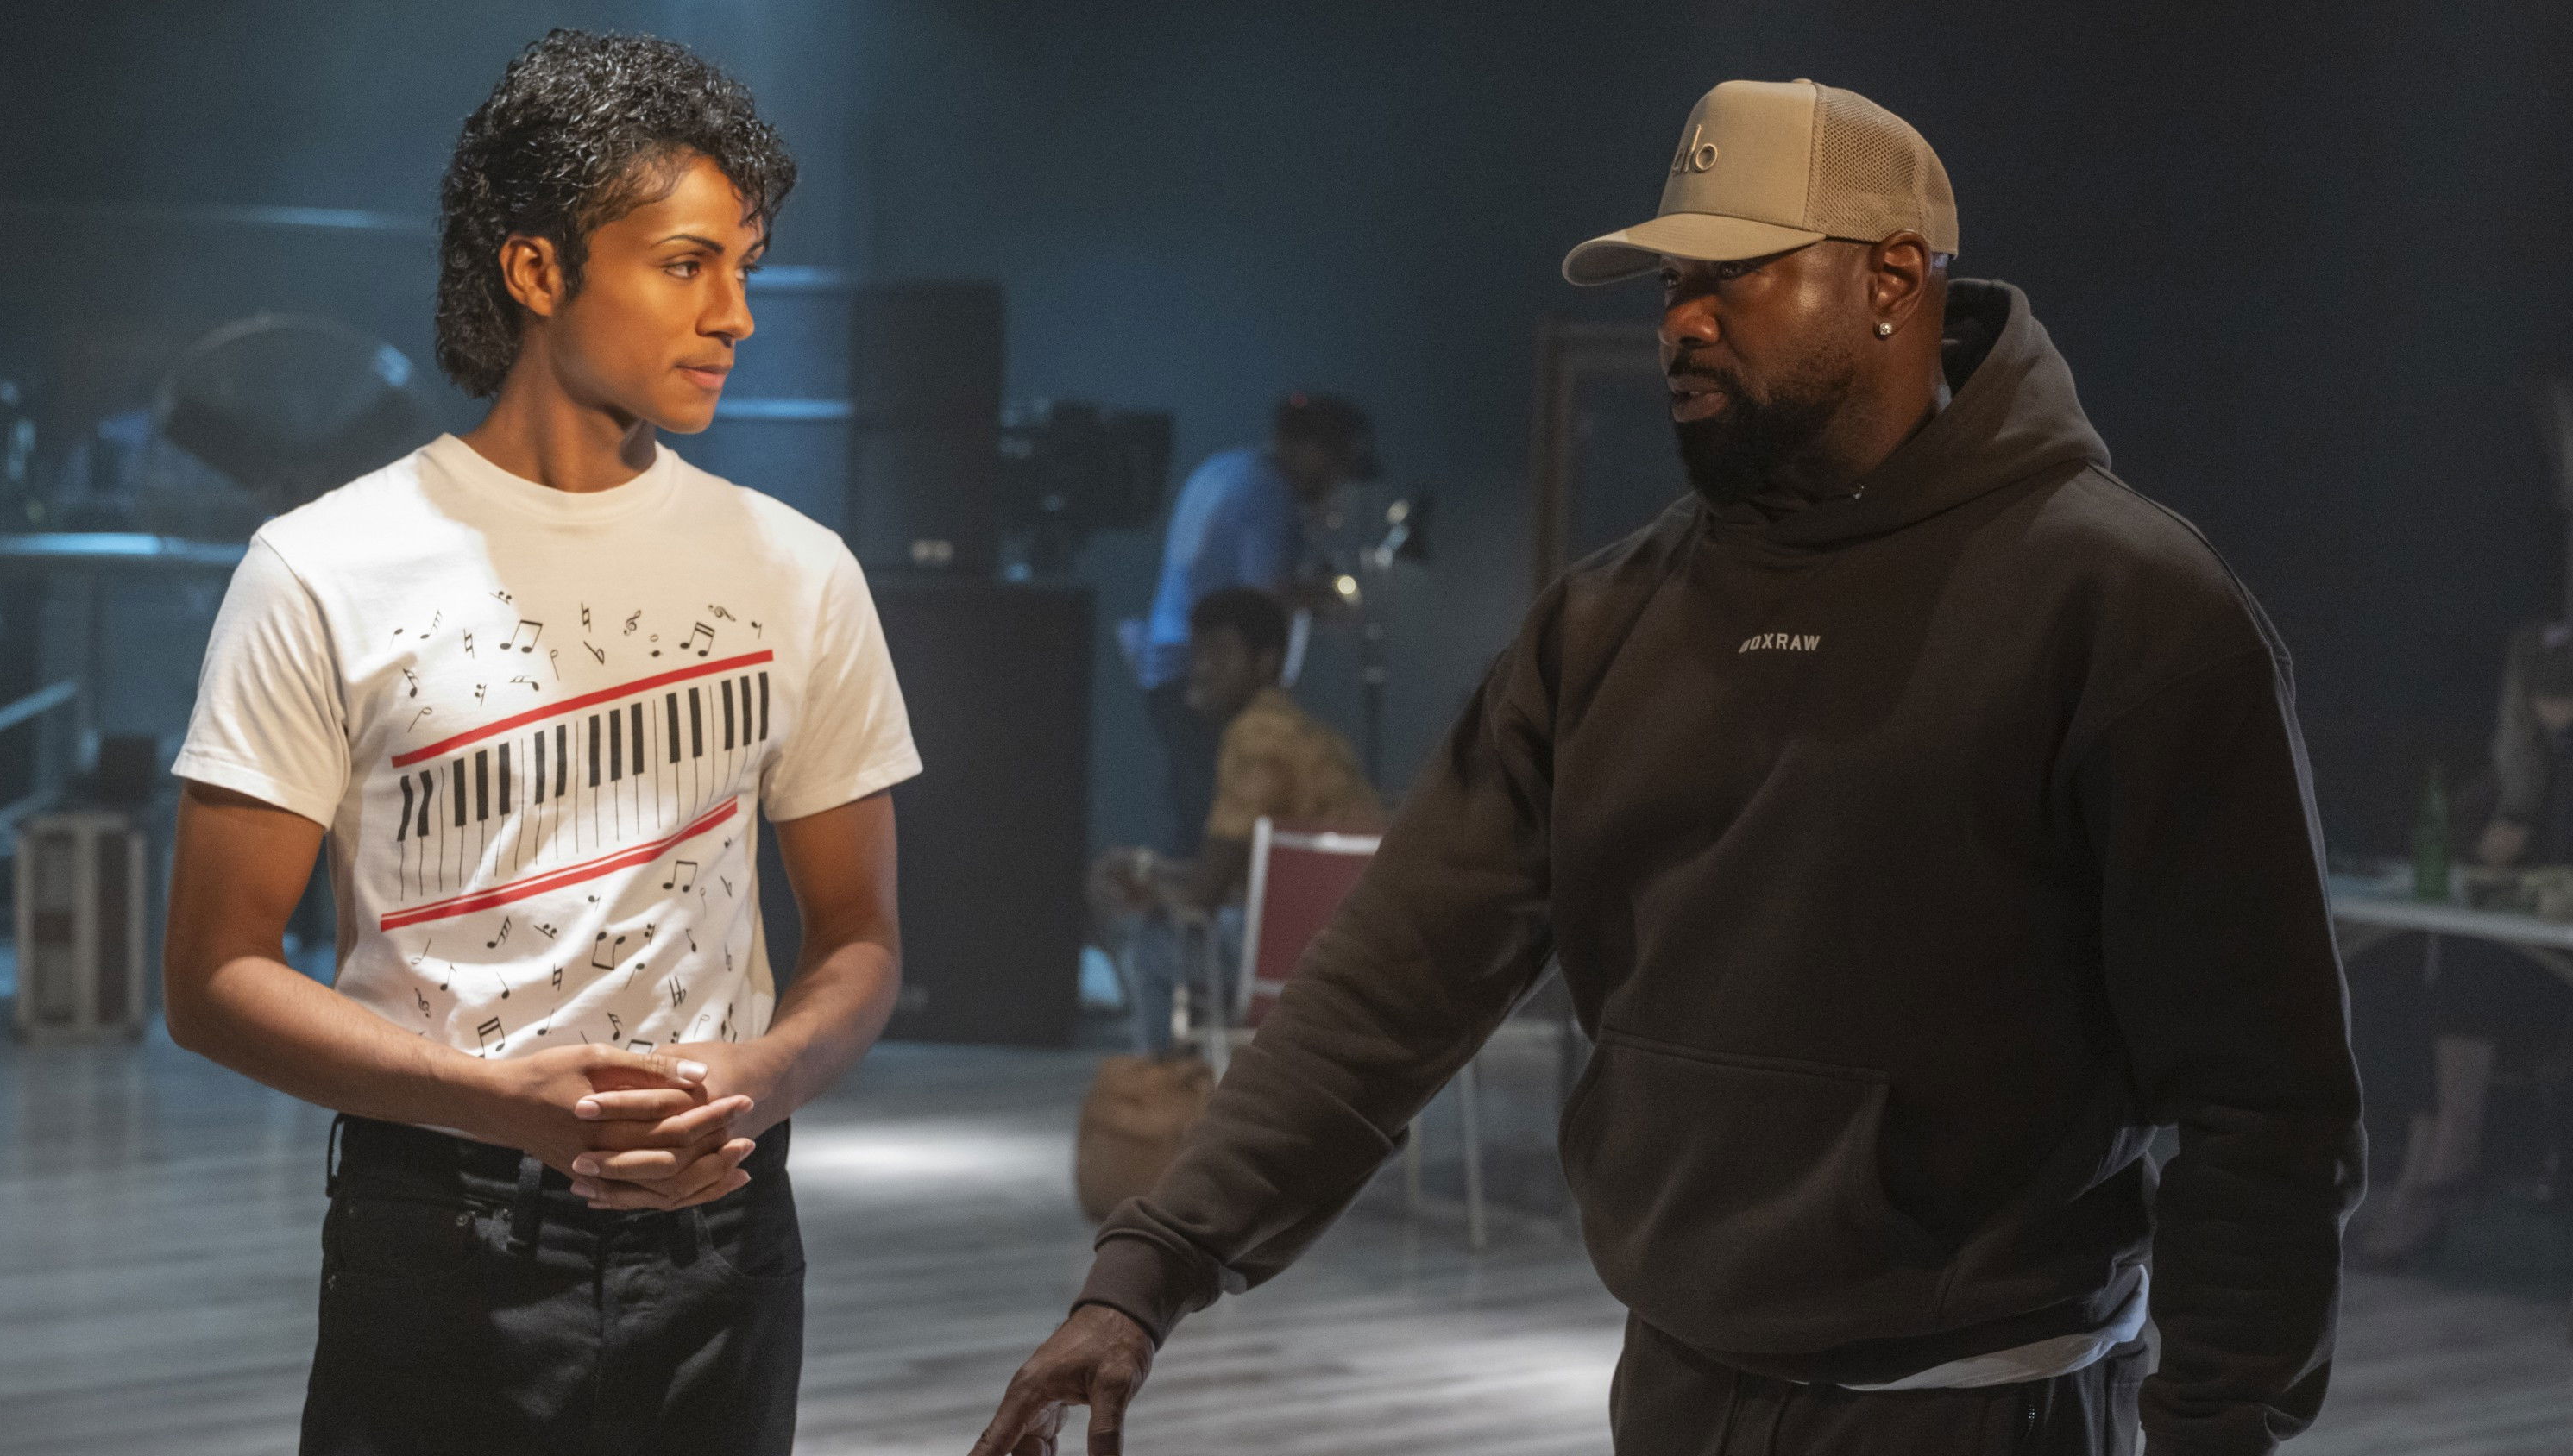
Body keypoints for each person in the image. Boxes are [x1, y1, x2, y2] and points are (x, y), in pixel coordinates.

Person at [973, 78, 2361, 1456]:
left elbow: (2265, 1098)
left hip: (1985, 1408)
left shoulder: (2125, 606)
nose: (1681, 323)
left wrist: (2218, 1427)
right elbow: (1392, 977)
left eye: (1732, 276)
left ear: (1891, 279)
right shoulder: (1607, 623)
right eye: (1669, 286)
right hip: (1677, 1397)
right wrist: (1149, 1273)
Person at [161, 31, 921, 1454]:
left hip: (722, 1232)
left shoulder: (800, 570)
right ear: (535, 269)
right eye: (687, 264)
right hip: (438, 1233)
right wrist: (502, 1105)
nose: (736, 314)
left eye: (746, 267)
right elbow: (211, 977)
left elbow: (863, 933)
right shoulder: (322, 566)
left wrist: (764, 1076)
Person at [2356, 620, 2573, 1266]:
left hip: (2552, 972)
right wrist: (2503, 832)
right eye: (2544, 690)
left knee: (2465, 964)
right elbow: (2461, 847)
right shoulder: (2525, 759)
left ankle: (2445, 1162)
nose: (2555, 704)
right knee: (2422, 970)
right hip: (2522, 953)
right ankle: (2430, 1164)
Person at [1096, 586, 1384, 1053]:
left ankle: (1165, 1086)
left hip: (1294, 965)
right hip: (1360, 961)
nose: (1201, 667)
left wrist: (1143, 884)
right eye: (1198, 652)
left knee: (1150, 945)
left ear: (1265, 662)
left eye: (1220, 652)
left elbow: (1203, 898)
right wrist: (1150, 869)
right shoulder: (1318, 738)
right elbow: (1252, 877)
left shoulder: (1254, 737)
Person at [1134, 392, 1376, 857]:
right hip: (1209, 673)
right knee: (1217, 817)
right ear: (1310, 449)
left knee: (1194, 803)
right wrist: (1322, 596)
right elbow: (1259, 599)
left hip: (1171, 665)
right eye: (1336, 464)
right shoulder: (1268, 494)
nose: (1336, 481)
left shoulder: (1226, 468)